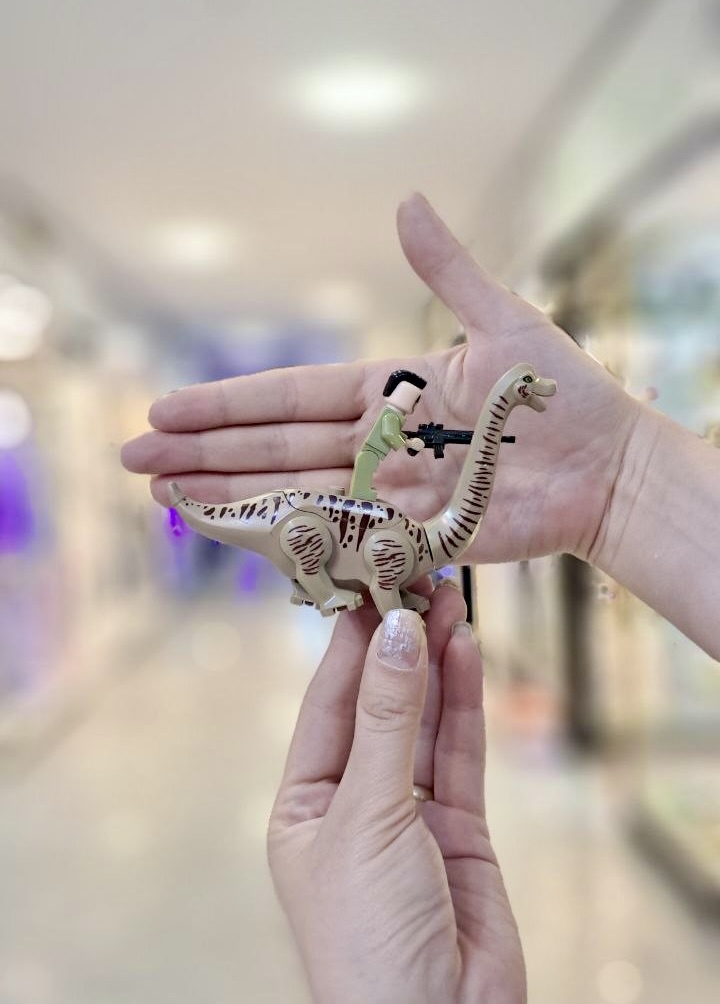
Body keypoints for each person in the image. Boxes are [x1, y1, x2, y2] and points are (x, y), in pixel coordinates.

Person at [121, 193, 720, 1002]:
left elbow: (398, 546)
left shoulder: (409, 516)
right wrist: (373, 602)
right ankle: (315, 582)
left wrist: (624, 474)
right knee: (329, 548)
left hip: (369, 523)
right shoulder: (395, 517)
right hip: (336, 527)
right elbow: (376, 558)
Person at [349, 368, 426, 500]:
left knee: (366, 471)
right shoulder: (391, 415)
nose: (415, 404)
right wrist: (408, 443)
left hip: (372, 452)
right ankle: (361, 494)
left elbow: (395, 433)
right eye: (415, 400)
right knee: (365, 471)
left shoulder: (394, 414)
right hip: (372, 452)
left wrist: (407, 439)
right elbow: (389, 434)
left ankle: (362, 492)